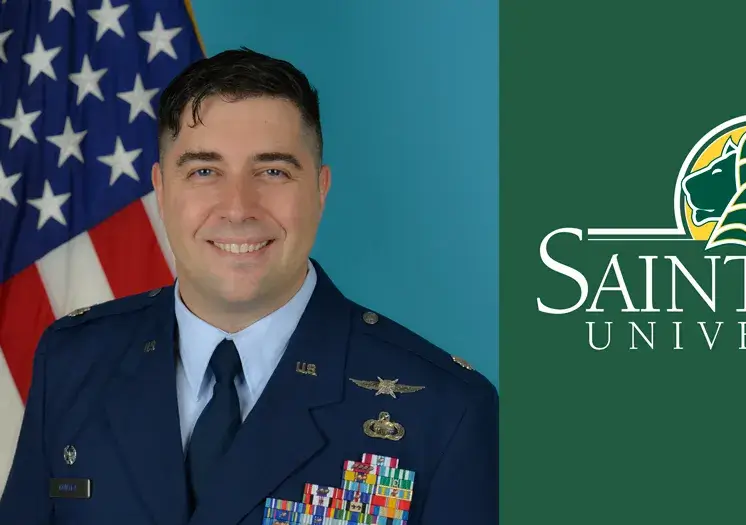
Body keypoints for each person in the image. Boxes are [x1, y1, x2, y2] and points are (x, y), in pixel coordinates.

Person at [0, 48, 499, 525]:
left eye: (273, 171)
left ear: (321, 190)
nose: (238, 207)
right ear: (161, 187)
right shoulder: (73, 363)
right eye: (203, 171)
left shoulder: (444, 409)